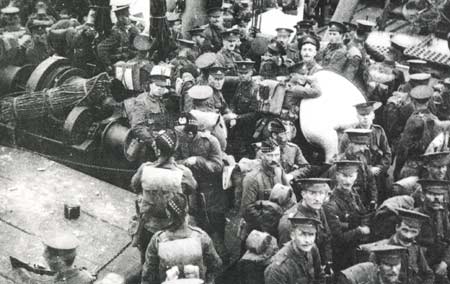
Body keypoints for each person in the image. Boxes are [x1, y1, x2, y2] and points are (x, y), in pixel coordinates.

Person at [130, 129, 198, 264]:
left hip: (149, 227)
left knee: (148, 262)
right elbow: (192, 188)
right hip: (174, 228)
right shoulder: (183, 173)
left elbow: (134, 186)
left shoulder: (145, 169)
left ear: (157, 150)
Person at [175, 114, 228, 262]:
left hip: (211, 188)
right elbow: (174, 162)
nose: (178, 135)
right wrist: (185, 162)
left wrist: (199, 161)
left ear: (190, 133)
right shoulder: (179, 141)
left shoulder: (210, 141)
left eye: (181, 133)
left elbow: (218, 166)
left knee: (216, 219)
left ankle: (220, 249)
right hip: (190, 189)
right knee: (197, 218)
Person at [141, 193, 222, 284]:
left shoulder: (158, 240)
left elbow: (148, 274)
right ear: (186, 210)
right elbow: (216, 264)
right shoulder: (201, 237)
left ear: (168, 213)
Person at [361, 208, 434, 284]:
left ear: (418, 232)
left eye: (413, 232)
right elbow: (372, 279)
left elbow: (428, 274)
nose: (408, 236)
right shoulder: (380, 250)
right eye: (405, 230)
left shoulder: (415, 248)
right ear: (397, 227)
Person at [339, 101, 392, 203]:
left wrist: (379, 168)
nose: (365, 118)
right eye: (362, 115)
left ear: (373, 115)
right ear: (357, 116)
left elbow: (387, 154)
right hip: (357, 176)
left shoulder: (379, 131)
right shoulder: (349, 134)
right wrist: (365, 170)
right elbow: (341, 156)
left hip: (377, 174)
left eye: (368, 114)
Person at [323, 160, 370, 272]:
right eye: (344, 176)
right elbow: (337, 238)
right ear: (337, 175)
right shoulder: (331, 203)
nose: (347, 180)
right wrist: (359, 231)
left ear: (356, 176)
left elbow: (363, 214)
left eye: (351, 176)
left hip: (355, 248)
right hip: (340, 255)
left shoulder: (353, 193)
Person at [278, 178, 333, 266]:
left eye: (321, 193)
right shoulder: (290, 221)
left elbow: (327, 237)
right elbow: (287, 255)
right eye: (312, 193)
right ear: (303, 194)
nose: (317, 199)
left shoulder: (318, 209)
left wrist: (327, 262)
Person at [394, 85, 440, 180]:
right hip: (430, 166)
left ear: (413, 101)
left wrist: (397, 169)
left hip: (413, 166)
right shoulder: (435, 119)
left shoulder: (413, 120)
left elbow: (403, 148)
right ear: (428, 101)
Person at [124, 71, 171, 161]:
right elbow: (137, 127)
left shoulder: (159, 100)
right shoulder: (142, 102)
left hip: (159, 141)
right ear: (150, 85)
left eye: (163, 87)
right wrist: (152, 141)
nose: (160, 89)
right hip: (146, 146)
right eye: (157, 86)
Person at [264, 215, 325, 284]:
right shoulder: (278, 269)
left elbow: (319, 276)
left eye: (311, 234)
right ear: (292, 235)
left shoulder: (312, 248)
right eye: (302, 234)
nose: (307, 240)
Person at [240, 140, 293, 214]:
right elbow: (247, 210)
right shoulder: (252, 178)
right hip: (260, 222)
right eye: (270, 155)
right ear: (262, 155)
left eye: (277, 155)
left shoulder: (279, 170)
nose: (274, 159)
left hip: (279, 217)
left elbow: (290, 195)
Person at [416, 180, 450, 284]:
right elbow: (412, 247)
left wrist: (445, 262)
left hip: (441, 261)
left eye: (440, 194)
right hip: (422, 265)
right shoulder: (415, 216)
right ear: (422, 196)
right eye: (431, 194)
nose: (436, 198)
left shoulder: (443, 215)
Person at [228, 60, 260, 159]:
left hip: (249, 126)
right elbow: (233, 102)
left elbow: (255, 113)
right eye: (240, 73)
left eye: (245, 73)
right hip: (237, 123)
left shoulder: (255, 89)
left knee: (244, 151)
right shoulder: (240, 85)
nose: (242, 76)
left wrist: (236, 118)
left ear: (251, 73)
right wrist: (231, 113)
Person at [97, 4, 139, 73]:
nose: (129, 18)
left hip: (126, 62)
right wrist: (108, 65)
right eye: (127, 16)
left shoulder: (126, 30)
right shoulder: (116, 32)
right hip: (117, 65)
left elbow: (131, 46)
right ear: (120, 18)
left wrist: (134, 30)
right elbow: (101, 48)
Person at [337, 245, 407, 284]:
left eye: (396, 265)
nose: (394, 270)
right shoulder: (355, 278)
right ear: (377, 265)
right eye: (388, 265)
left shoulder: (403, 279)